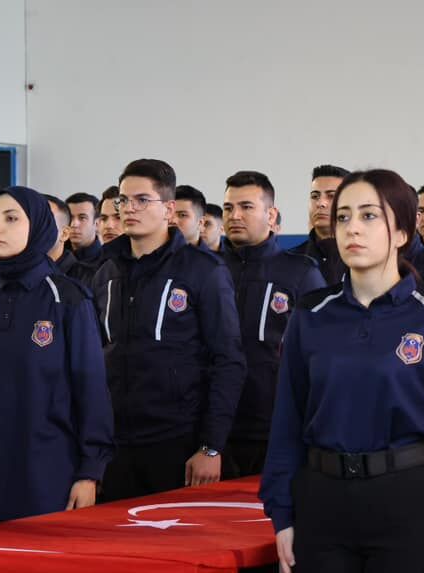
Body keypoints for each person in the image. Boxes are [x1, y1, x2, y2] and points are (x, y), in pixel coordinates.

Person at [260, 168, 424, 573]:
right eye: (343, 217)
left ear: (401, 231)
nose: (352, 228)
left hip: (406, 504)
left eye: (368, 216)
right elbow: (287, 421)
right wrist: (281, 514)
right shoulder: (310, 315)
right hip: (324, 505)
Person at [92, 159, 245, 501]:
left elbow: (228, 361)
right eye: (123, 200)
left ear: (169, 209)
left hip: (177, 442)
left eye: (142, 200)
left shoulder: (203, 271)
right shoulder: (106, 273)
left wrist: (211, 446)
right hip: (115, 445)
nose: (129, 208)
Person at [0, 187, 113, 525]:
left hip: (47, 474)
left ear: (40, 228)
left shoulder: (67, 298)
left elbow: (90, 390)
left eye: (11, 219)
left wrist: (90, 472)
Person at [219, 171, 325, 478]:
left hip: (277, 427)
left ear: (271, 214)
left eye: (246, 207)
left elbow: (316, 356)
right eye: (228, 208)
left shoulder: (300, 273)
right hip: (217, 429)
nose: (235, 215)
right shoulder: (209, 271)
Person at [292, 164, 349, 283]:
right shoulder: (290, 260)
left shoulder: (365, 259)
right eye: (315, 196)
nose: (320, 203)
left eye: (331, 196)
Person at [65, 192, 103, 265]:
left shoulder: (106, 263)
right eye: (70, 217)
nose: (74, 224)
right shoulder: (55, 256)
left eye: (82, 218)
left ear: (97, 224)